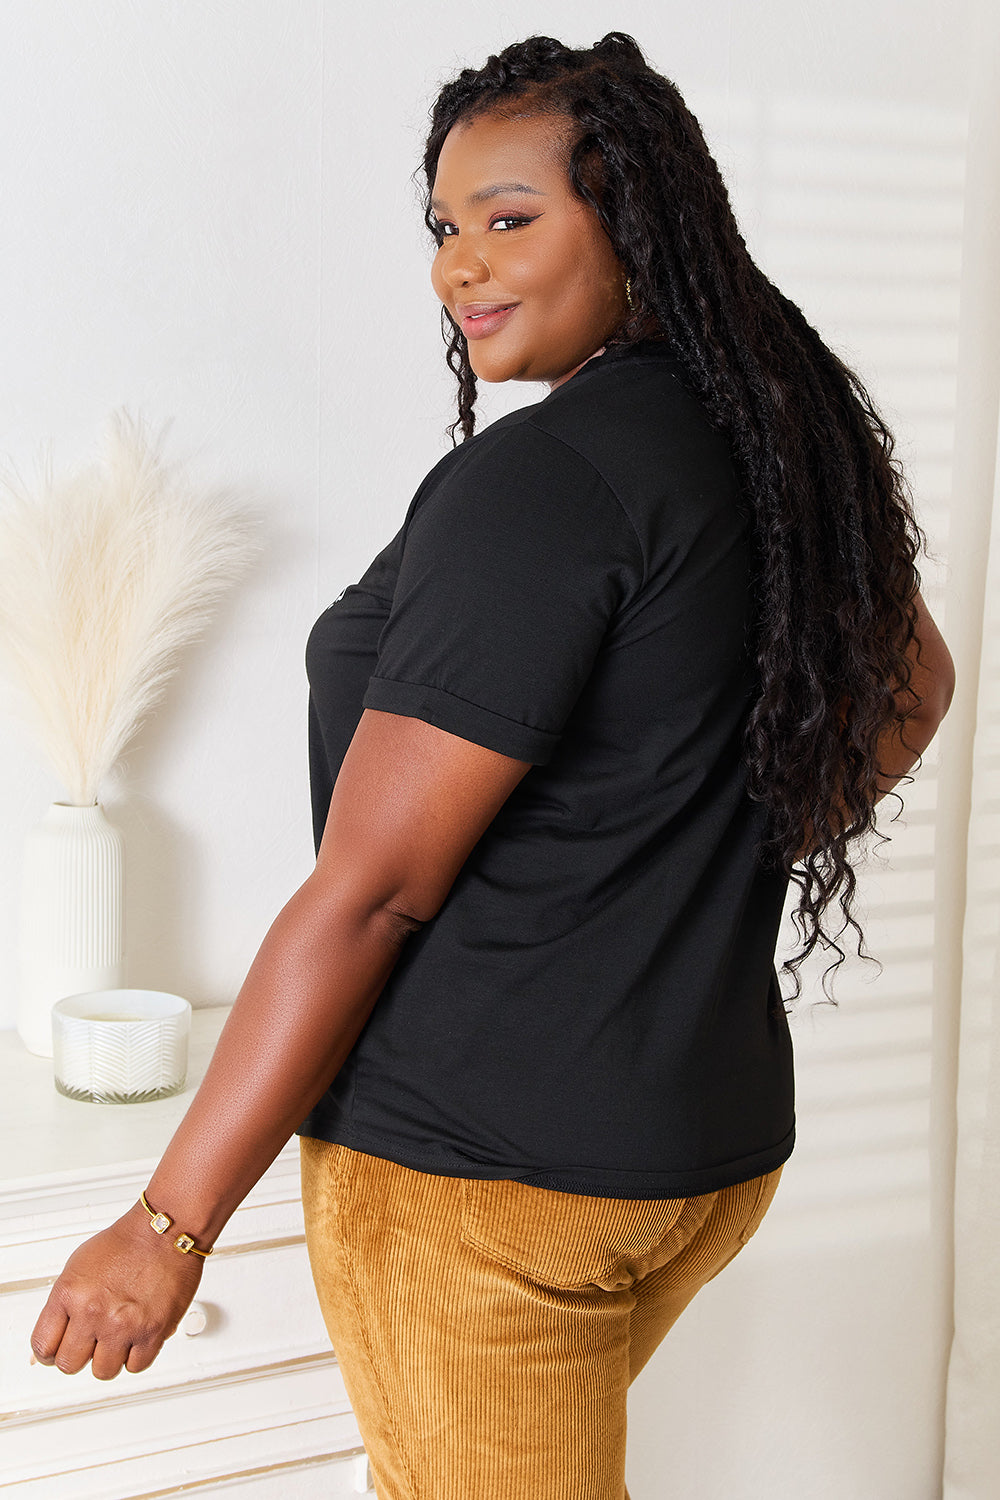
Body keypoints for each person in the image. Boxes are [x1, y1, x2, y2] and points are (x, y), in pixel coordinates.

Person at [30, 32, 955, 1500]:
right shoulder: (780, 448)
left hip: (479, 1184)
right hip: (698, 1154)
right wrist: (698, 846)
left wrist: (169, 1229)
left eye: (511, 219)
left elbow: (372, 894)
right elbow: (915, 685)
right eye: (445, 228)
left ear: (637, 225)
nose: (462, 264)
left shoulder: (545, 481)